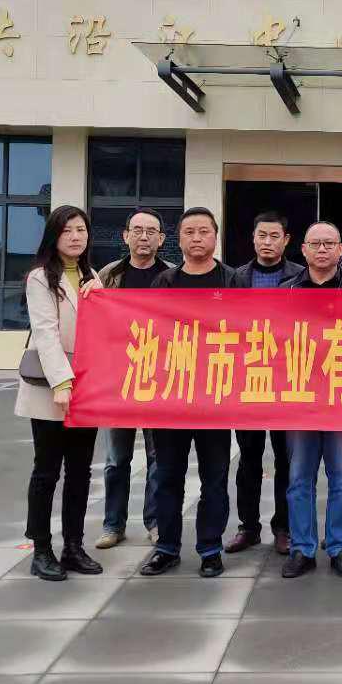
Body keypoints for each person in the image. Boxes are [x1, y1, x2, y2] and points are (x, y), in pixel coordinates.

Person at [139, 207, 237, 579]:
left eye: (203, 231)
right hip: (171, 397)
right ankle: (166, 547)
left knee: (215, 478)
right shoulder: (164, 281)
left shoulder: (232, 280)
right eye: (189, 232)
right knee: (167, 476)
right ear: (178, 239)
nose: (197, 238)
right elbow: (149, 332)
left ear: (215, 236)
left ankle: (210, 549)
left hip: (215, 397)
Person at [15, 205, 104, 582]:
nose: (75, 236)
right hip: (52, 388)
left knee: (80, 471)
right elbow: (46, 332)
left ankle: (73, 545)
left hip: (87, 387)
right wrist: (62, 383)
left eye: (81, 229)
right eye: (67, 230)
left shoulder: (92, 275)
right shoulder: (40, 277)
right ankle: (41, 549)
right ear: (54, 236)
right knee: (47, 470)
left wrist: (102, 295)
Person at [281, 221, 342, 579]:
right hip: (300, 399)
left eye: (329, 243)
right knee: (299, 479)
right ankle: (302, 548)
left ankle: (340, 546)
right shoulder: (287, 291)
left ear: (340, 250)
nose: (322, 249)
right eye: (315, 243)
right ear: (303, 249)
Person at [94, 207, 174, 550]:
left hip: (159, 378)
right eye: (137, 230)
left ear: (162, 239)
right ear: (125, 236)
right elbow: (95, 325)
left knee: (158, 458)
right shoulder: (108, 275)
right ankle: (113, 525)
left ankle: (154, 522)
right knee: (116, 459)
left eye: (151, 231)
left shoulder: (172, 276)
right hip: (119, 380)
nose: (144, 237)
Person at [226, 210, 302, 556]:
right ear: (253, 239)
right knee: (249, 460)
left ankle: (283, 527)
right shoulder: (236, 277)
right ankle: (248, 526)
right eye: (262, 236)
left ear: (286, 240)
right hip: (249, 380)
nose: (267, 242)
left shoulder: (300, 276)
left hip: (287, 380)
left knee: (287, 460)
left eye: (275, 236)